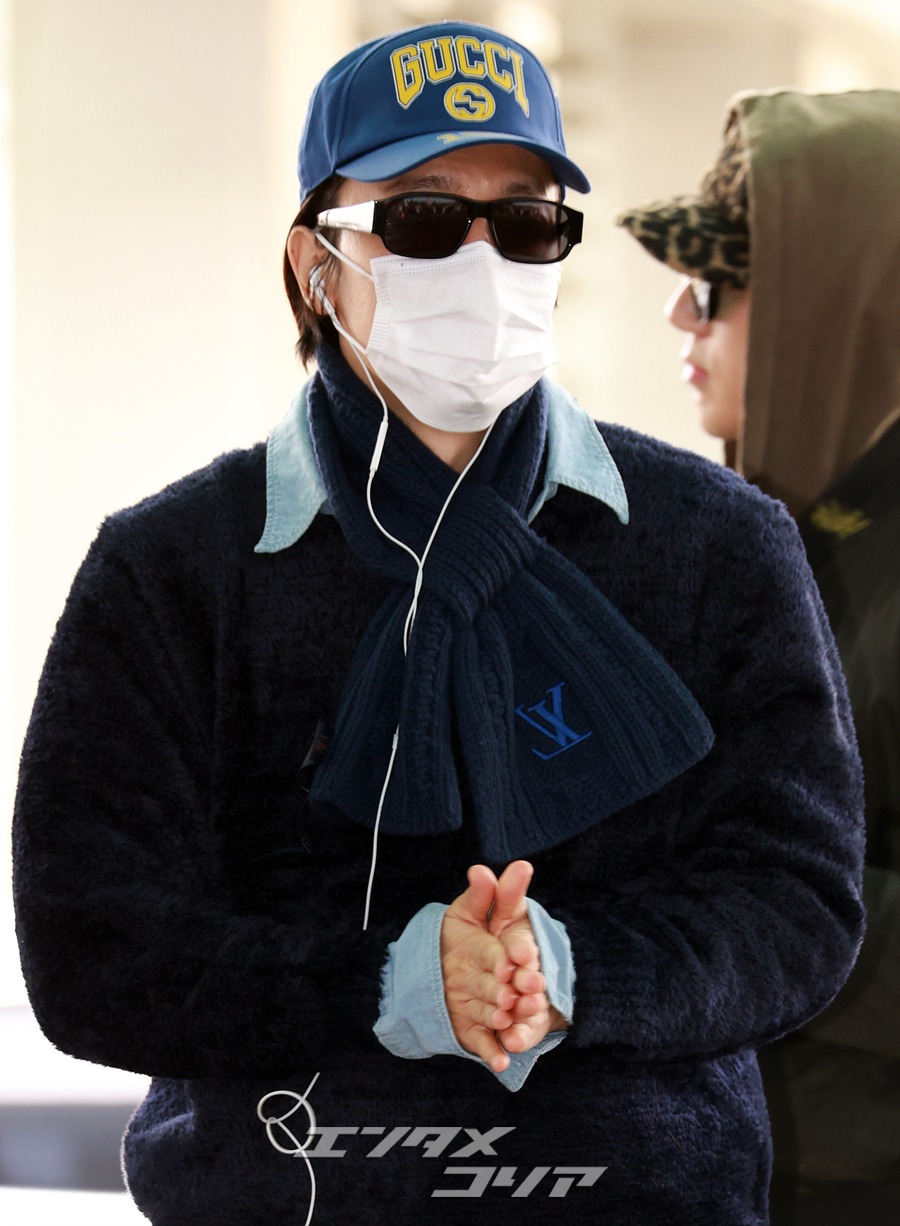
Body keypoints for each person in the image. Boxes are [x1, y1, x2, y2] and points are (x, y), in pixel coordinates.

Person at [13, 27, 866, 1226]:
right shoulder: (172, 567)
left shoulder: (723, 543)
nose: (482, 261)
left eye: (524, 224)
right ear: (317, 262)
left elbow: (797, 903)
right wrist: (394, 981)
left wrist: (571, 972)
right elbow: (92, 946)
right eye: (421, 219)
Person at [617, 88, 900, 1223]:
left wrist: (717, 887)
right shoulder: (782, 540)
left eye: (717, 287)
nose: (681, 319)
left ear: (827, 307)